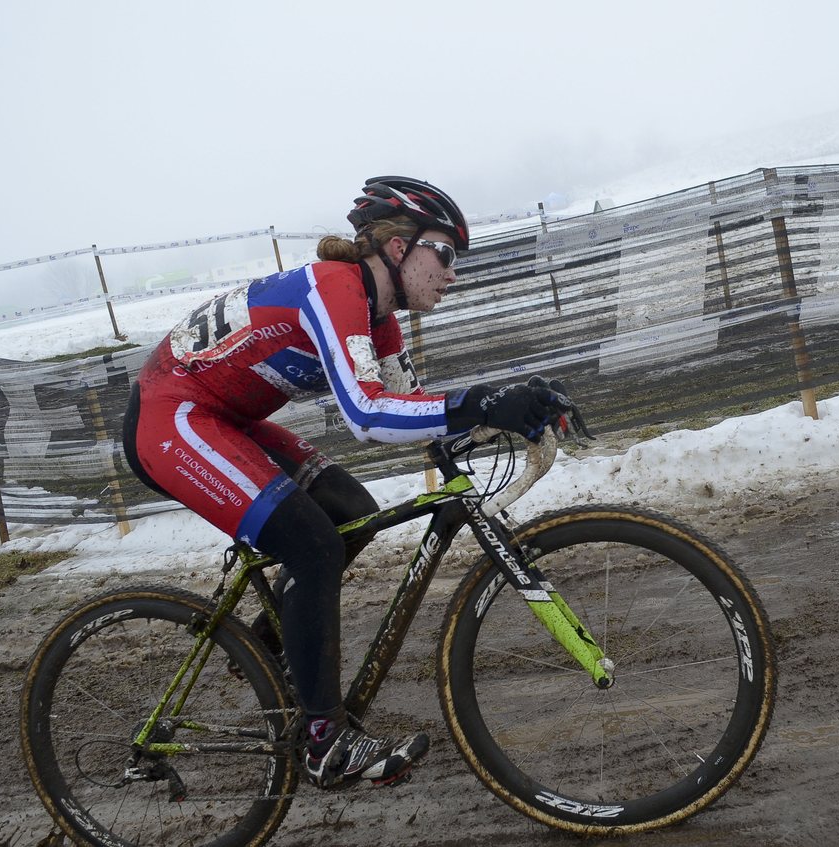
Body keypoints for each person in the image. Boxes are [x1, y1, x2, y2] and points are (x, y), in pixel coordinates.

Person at [122, 176, 571, 789]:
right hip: (170, 418)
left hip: (227, 419)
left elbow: (413, 410)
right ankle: (323, 742)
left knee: (351, 509)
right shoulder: (335, 287)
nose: (452, 273)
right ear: (396, 248)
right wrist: (486, 404)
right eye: (443, 253)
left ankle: (271, 640)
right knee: (313, 543)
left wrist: (509, 413)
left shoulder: (379, 317)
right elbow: (366, 414)